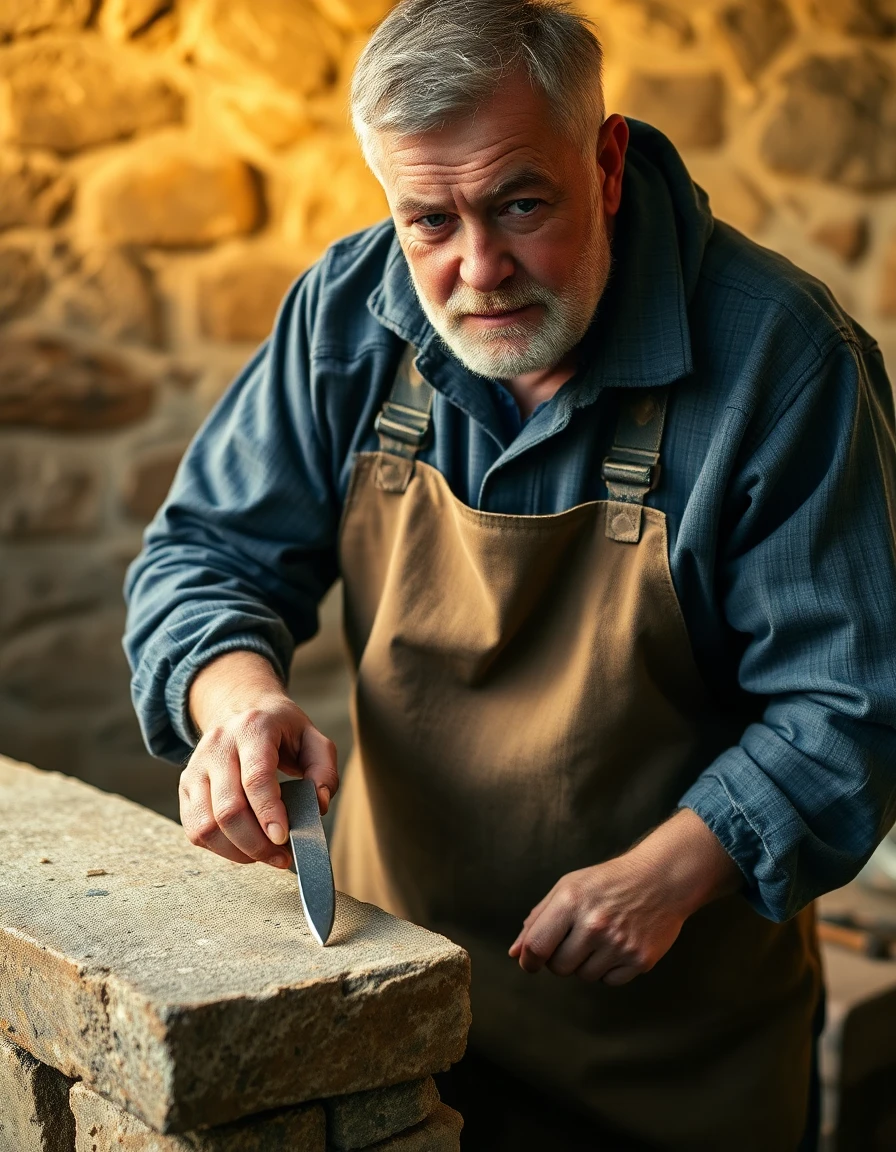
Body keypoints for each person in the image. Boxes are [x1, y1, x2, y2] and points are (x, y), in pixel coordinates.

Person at [123, 1, 896, 1148]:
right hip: (394, 1005)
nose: (477, 270)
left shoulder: (783, 366)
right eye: (427, 218)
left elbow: (849, 708)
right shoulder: (349, 312)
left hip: (671, 1062)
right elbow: (205, 552)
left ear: (608, 160)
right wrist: (238, 700)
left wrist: (667, 875)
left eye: (520, 205)